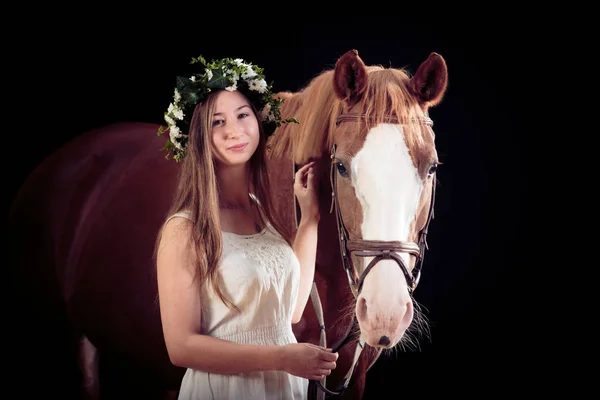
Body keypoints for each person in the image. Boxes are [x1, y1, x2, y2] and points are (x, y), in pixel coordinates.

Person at [154, 56, 338, 400]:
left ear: (258, 120)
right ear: (197, 137)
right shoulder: (184, 229)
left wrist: (310, 217)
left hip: (284, 387)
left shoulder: (259, 211)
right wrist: (282, 358)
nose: (234, 131)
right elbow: (180, 347)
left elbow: (291, 311)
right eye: (217, 122)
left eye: (242, 115)